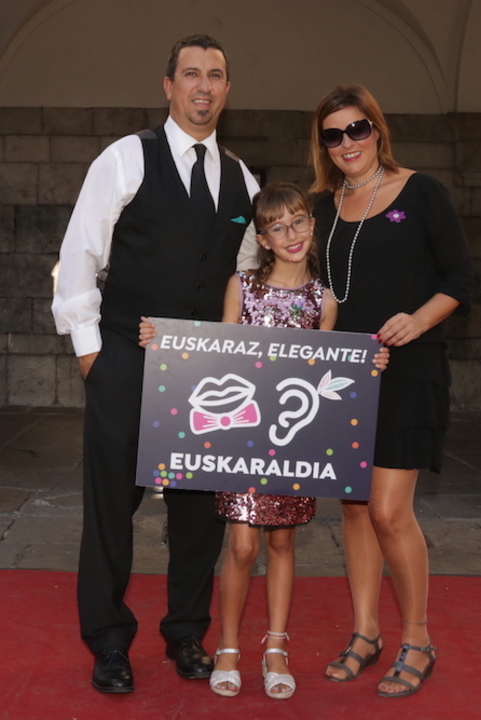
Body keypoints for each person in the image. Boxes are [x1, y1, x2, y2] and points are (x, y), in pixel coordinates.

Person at [51, 34, 261, 694]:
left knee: (198, 514)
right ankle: (109, 641)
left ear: (227, 90)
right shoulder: (124, 159)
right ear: (168, 86)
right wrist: (92, 355)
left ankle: (186, 633)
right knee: (112, 508)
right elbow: (81, 255)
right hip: (123, 360)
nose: (203, 85)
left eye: (215, 75)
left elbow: (247, 278)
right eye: (191, 74)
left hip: (205, 378)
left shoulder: (244, 179)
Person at [139, 184, 387, 701]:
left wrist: (368, 364)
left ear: (312, 225)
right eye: (277, 227)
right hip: (242, 439)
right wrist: (164, 344)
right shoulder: (242, 287)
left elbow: (325, 374)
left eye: (298, 221)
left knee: (281, 543)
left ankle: (276, 649)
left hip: (291, 442)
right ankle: (228, 647)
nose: (290, 233)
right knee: (242, 545)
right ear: (263, 238)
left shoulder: (323, 300)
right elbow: (216, 355)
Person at [309, 84, 472, 698]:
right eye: (333, 134)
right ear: (323, 144)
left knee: (387, 510)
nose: (347, 142)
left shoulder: (422, 192)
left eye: (358, 129)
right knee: (353, 508)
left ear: (377, 129)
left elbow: (460, 278)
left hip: (408, 370)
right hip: (340, 377)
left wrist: (418, 320)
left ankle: (419, 639)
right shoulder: (319, 208)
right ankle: (365, 632)